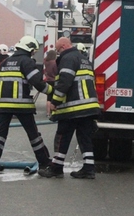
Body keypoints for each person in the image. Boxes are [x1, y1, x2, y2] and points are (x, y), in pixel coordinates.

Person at [0, 36, 53, 172]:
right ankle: (44, 162)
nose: (33, 53)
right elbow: (37, 82)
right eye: (33, 51)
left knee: (0, 135)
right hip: (22, 106)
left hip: (4, 106)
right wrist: (53, 92)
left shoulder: (4, 62)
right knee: (33, 135)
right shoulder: (27, 62)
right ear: (29, 49)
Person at [38, 37, 101, 179]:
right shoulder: (84, 59)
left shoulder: (68, 59)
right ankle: (89, 169)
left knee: (62, 137)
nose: (59, 53)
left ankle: (56, 168)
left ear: (65, 46)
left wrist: (54, 101)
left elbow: (64, 82)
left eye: (59, 49)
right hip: (88, 107)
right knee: (85, 138)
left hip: (73, 108)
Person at [44, 49, 58, 118]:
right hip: (54, 81)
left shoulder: (46, 62)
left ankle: (47, 112)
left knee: (48, 98)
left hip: (48, 80)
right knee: (54, 97)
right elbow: (56, 72)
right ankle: (53, 112)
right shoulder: (54, 63)